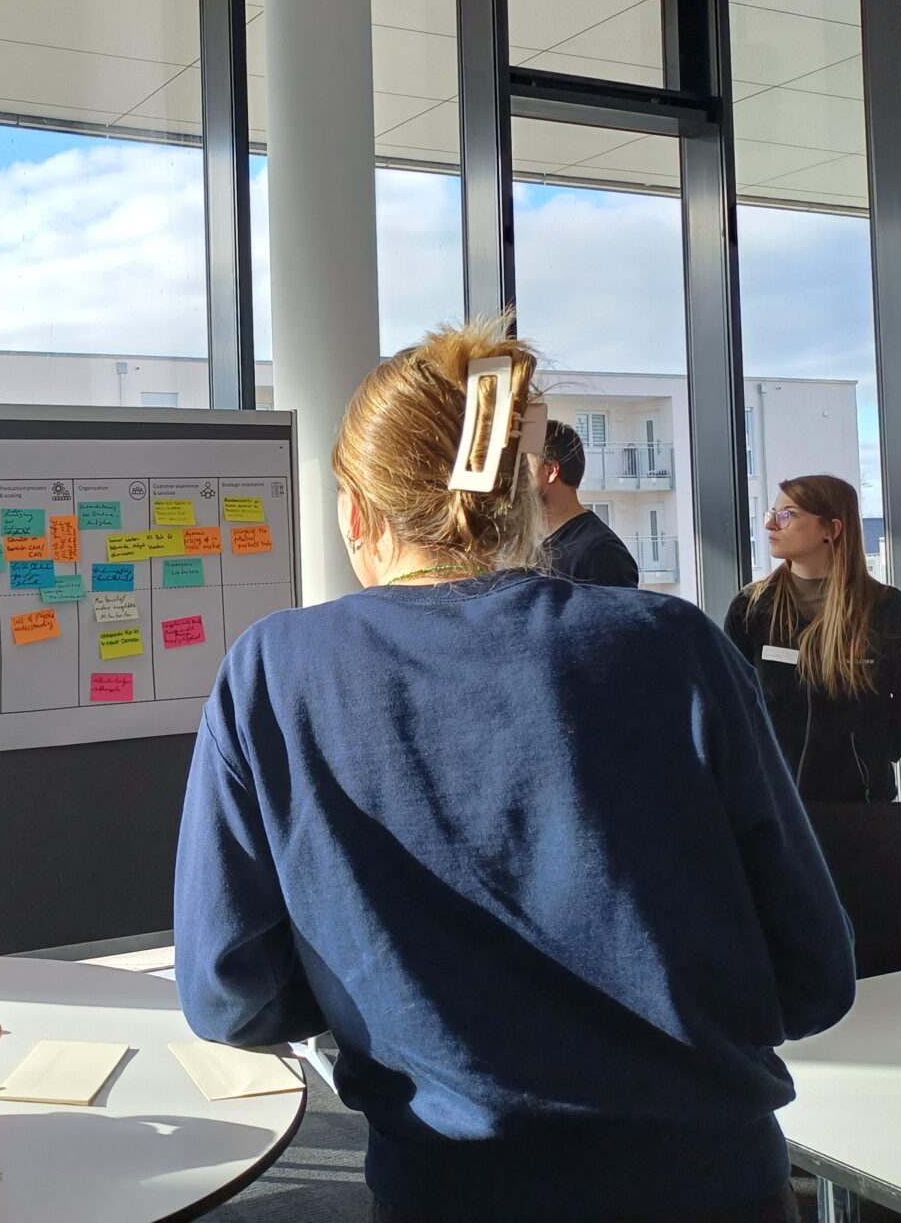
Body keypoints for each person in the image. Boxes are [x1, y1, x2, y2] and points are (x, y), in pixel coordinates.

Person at [174, 319, 855, 1223]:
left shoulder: (273, 673)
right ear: (526, 499)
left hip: (446, 1191)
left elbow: (229, 993)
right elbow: (814, 973)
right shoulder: (673, 645)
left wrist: (387, 995)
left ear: (357, 513)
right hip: (714, 1183)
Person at [725, 475, 901, 803]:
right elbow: (730, 703)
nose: (770, 525)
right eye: (773, 513)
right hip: (775, 805)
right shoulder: (752, 607)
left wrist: (869, 756)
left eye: (788, 515)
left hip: (861, 809)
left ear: (831, 529)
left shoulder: (887, 610)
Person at [536, 419, 638, 586]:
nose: (516, 478)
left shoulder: (602, 554)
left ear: (551, 471)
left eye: (524, 467)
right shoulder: (527, 543)